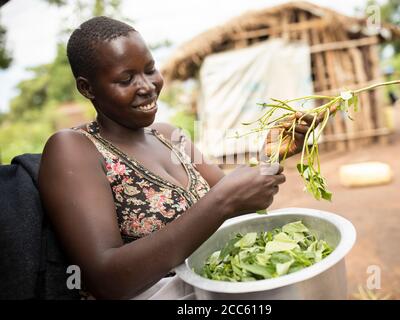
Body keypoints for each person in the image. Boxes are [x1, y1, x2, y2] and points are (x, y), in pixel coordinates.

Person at [38, 16, 316, 300]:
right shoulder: (73, 148)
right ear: (87, 88)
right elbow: (105, 279)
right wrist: (222, 201)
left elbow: (239, 208)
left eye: (150, 70)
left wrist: (269, 157)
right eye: (126, 79)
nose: (147, 86)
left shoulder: (170, 136)